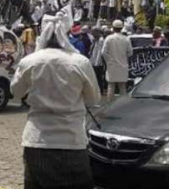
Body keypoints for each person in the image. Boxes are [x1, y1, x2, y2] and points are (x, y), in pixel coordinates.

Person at [10, 12, 100, 189]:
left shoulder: (30, 61)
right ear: (66, 34)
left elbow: (16, 92)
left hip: (37, 140)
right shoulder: (81, 62)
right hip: (72, 141)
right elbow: (93, 99)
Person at [102, 20, 133, 103]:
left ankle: (109, 106)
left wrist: (108, 61)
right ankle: (123, 106)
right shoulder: (126, 39)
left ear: (113, 28)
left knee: (111, 86)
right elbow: (130, 53)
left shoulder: (109, 38)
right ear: (121, 28)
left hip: (111, 66)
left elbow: (103, 52)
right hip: (123, 66)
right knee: (122, 87)